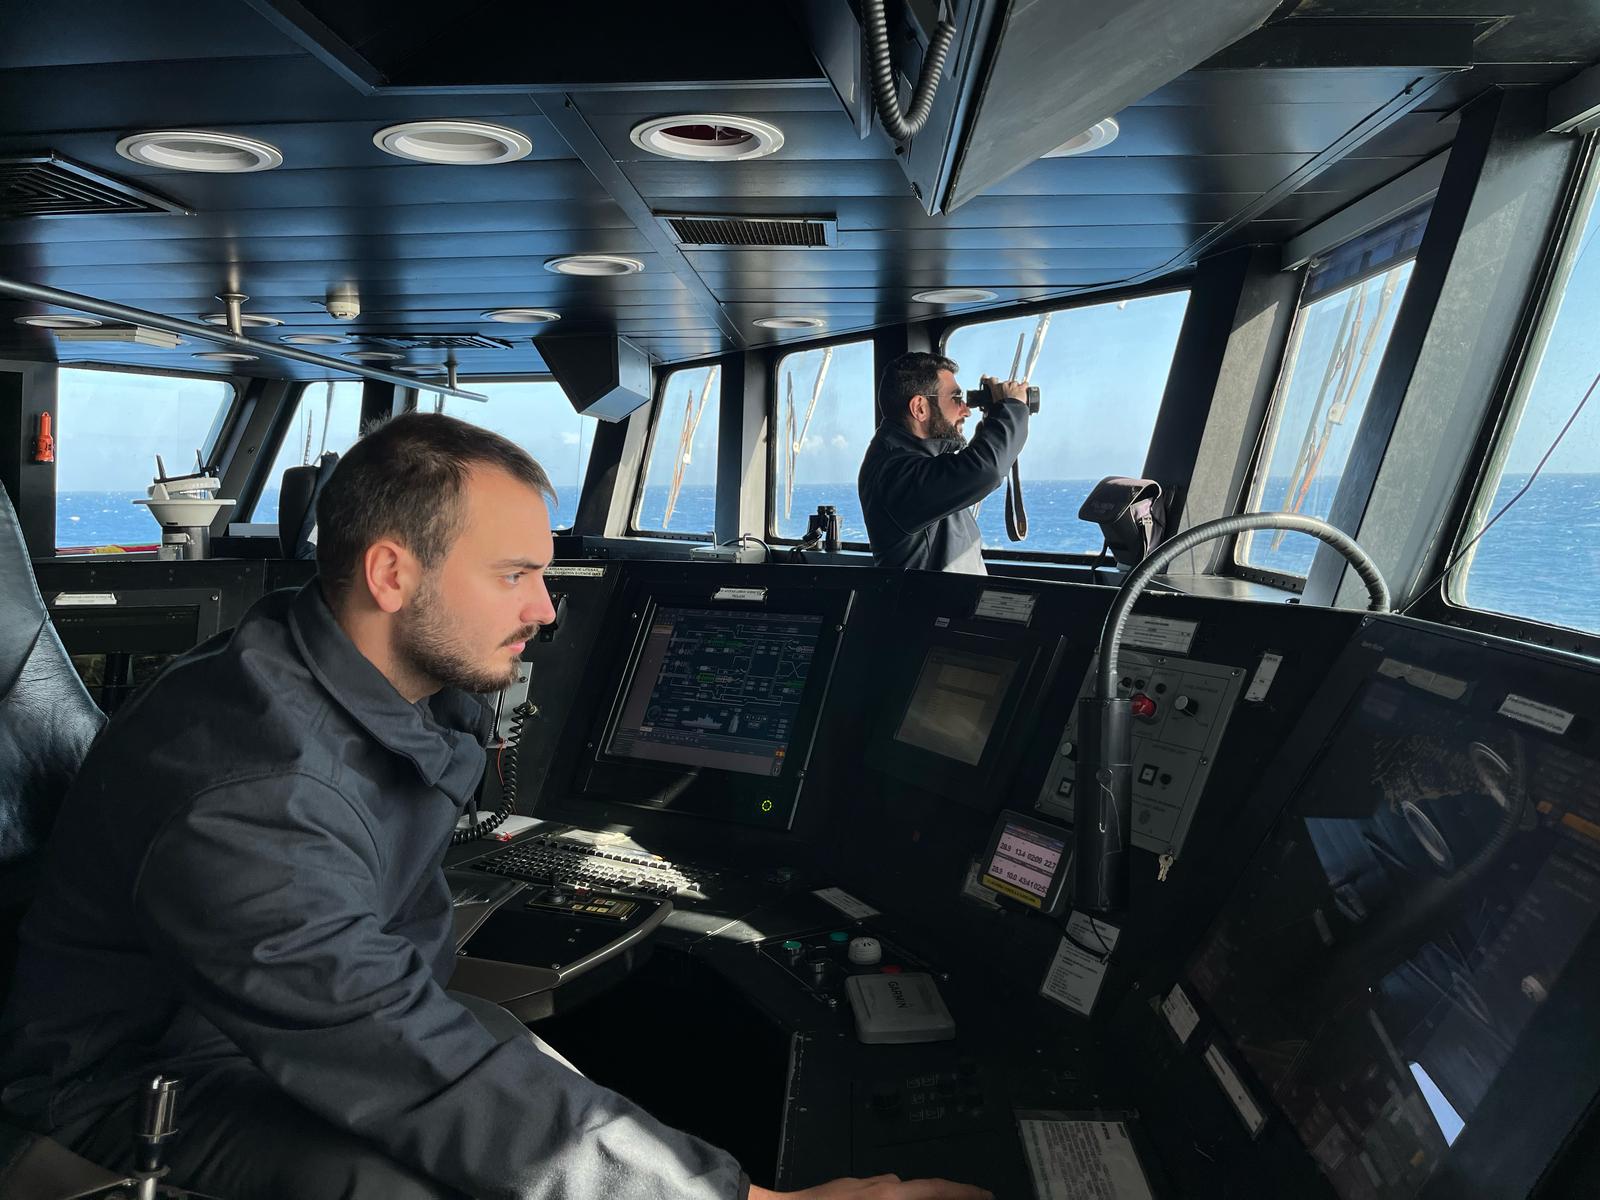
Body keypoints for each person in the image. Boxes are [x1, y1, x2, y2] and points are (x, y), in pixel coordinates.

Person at [0, 413, 990, 1200]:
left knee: (531, 1068)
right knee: (405, 1178)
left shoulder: (337, 672)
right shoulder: (250, 787)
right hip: (122, 1083)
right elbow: (387, 1050)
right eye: (515, 575)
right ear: (392, 573)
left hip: (269, 1029)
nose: (548, 608)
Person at [857, 352, 1032, 574]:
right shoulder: (895, 474)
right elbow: (985, 469)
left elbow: (970, 466)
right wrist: (1012, 407)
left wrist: (994, 415)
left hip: (948, 605)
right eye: (956, 399)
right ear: (920, 408)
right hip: (928, 608)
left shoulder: (919, 464)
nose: (966, 411)